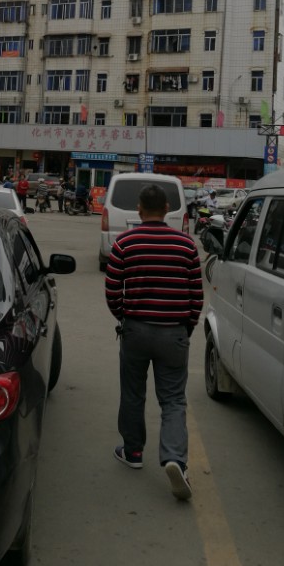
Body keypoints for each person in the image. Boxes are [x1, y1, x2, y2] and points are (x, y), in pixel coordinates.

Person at [104, 183, 203, 501]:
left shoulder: (124, 243)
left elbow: (111, 291)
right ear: (166, 208)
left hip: (135, 330)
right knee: (173, 399)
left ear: (139, 209)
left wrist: (125, 317)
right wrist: (185, 327)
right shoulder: (186, 246)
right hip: (173, 331)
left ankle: (132, 452)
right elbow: (196, 296)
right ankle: (175, 459)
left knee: (133, 394)